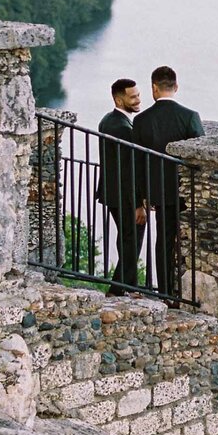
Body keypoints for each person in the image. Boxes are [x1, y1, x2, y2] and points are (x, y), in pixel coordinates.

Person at [131, 66, 204, 299]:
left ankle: (165, 292)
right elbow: (201, 155)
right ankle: (190, 291)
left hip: (159, 192)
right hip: (187, 192)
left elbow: (137, 163)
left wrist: (142, 196)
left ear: (154, 87)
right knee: (192, 241)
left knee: (163, 241)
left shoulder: (141, 120)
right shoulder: (190, 116)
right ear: (176, 87)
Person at [95, 78, 145, 295]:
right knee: (132, 238)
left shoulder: (108, 120)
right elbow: (128, 170)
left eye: (138, 95)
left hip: (111, 191)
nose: (138, 100)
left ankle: (128, 286)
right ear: (118, 99)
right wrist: (138, 204)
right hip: (124, 195)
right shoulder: (124, 128)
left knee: (126, 238)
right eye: (132, 97)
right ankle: (118, 288)